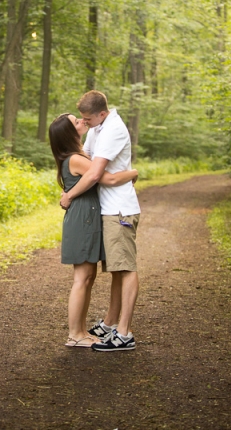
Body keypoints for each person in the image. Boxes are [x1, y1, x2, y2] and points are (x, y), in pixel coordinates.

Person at [60, 90, 142, 352]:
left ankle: (124, 332)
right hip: (106, 210)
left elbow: (97, 174)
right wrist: (132, 172)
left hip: (119, 209)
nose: (84, 122)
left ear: (102, 114)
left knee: (125, 268)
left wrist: (69, 195)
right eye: (80, 120)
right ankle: (109, 325)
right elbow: (87, 162)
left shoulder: (112, 129)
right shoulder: (97, 127)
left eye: (87, 119)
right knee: (115, 269)